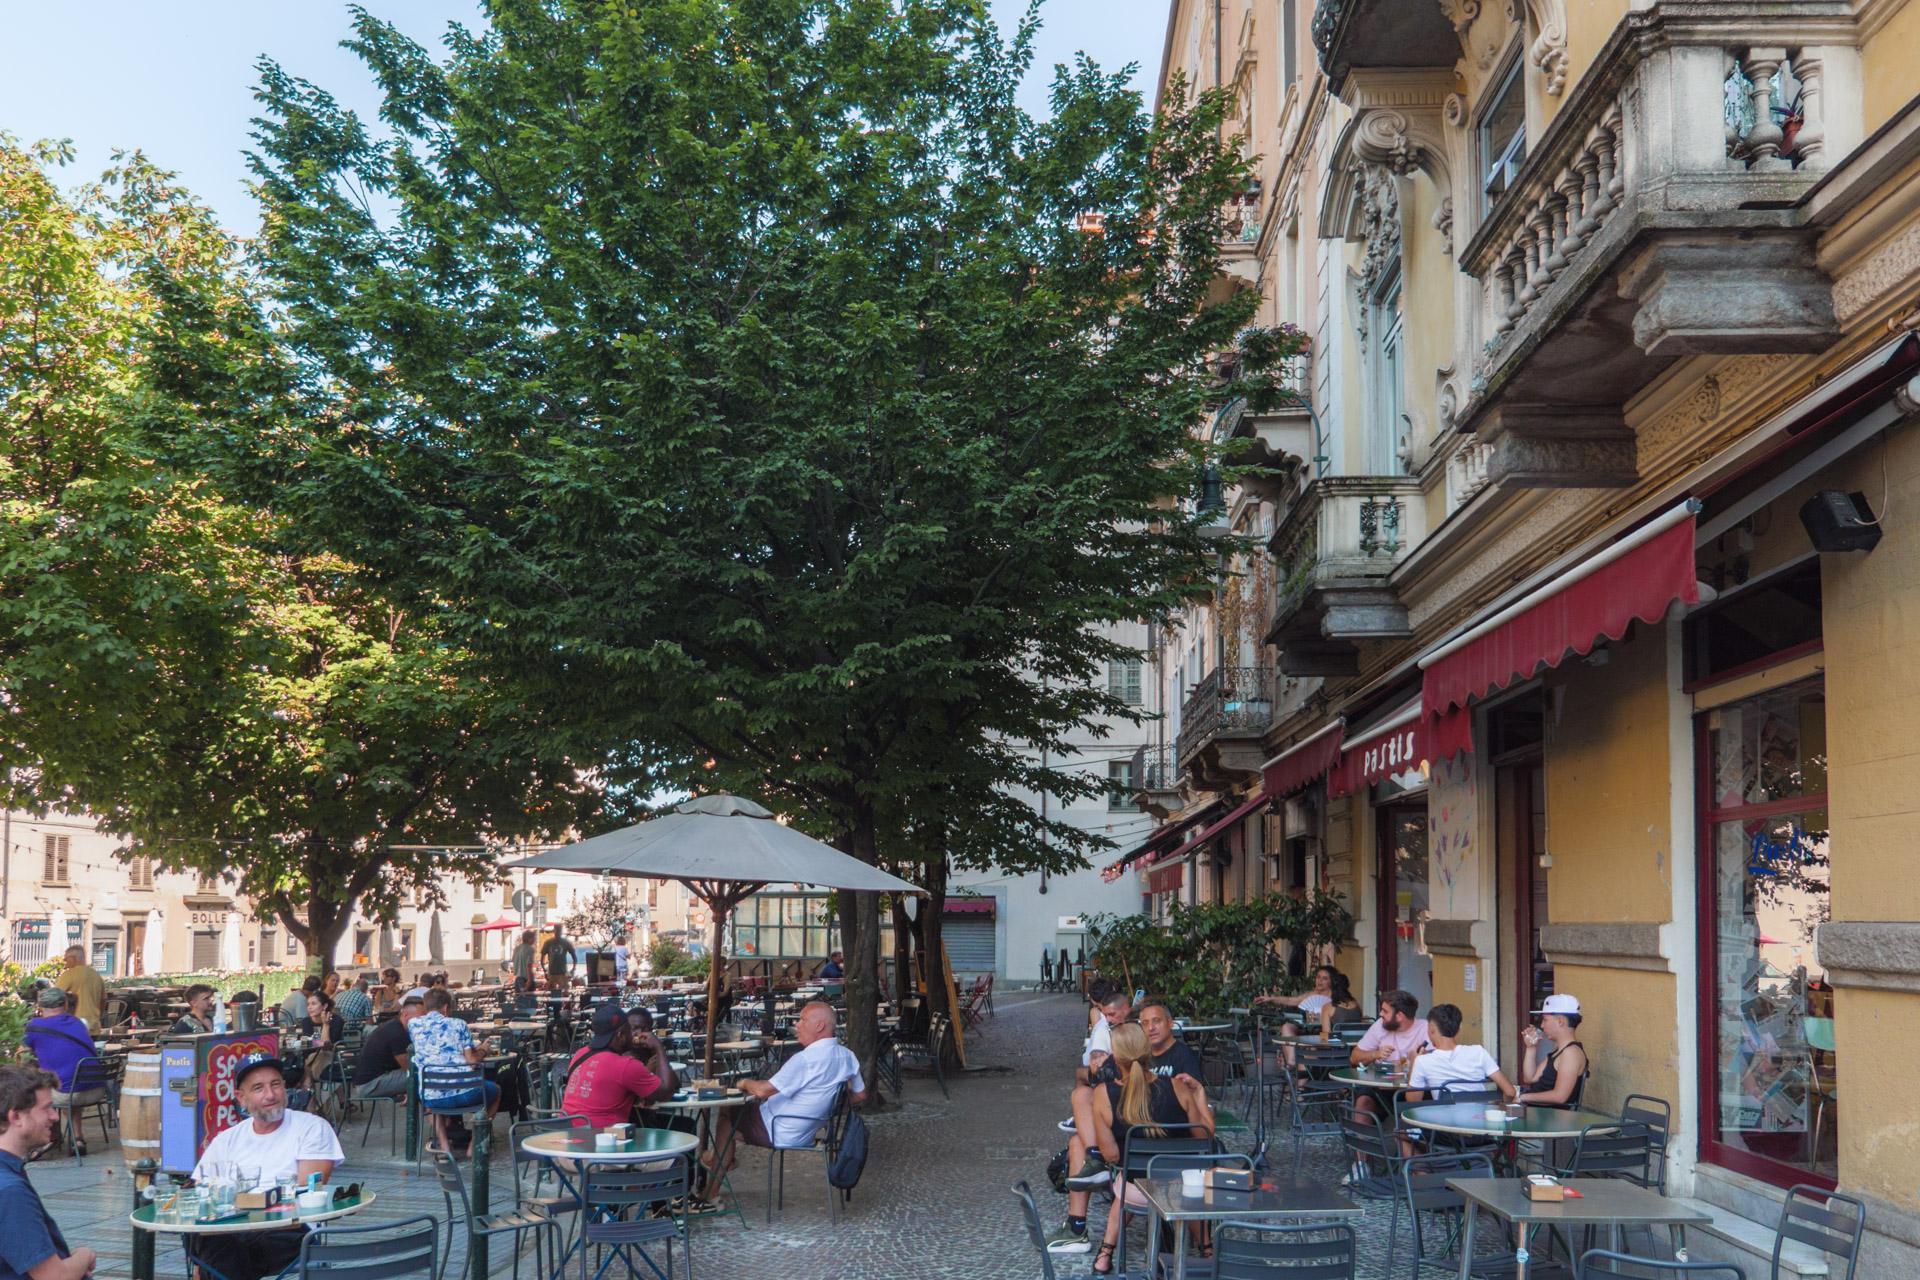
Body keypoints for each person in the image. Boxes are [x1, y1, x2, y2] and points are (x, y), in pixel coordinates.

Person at [1048, 1023, 1211, 1262]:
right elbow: (1202, 1139)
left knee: (1107, 1165)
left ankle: (1102, 1253)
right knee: (1176, 1180)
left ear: (1115, 1057)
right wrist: (1200, 1095)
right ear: (1147, 1051)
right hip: (1182, 1187)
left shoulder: (1105, 1093)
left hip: (1134, 1189)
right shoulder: (1176, 1086)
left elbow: (1113, 1156)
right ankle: (1208, 1250)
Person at [189, 1053, 344, 1280]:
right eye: (259, 1088)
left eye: (276, 1084)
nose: (270, 1095)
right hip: (231, 1228)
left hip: (288, 1229)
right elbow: (201, 1192)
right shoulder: (227, 1139)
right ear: (241, 1098)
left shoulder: (312, 1128)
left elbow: (306, 1191)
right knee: (207, 1240)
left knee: (222, 1255)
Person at [707, 1002, 863, 1188]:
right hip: (804, 1131)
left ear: (819, 1026)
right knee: (732, 1109)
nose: (797, 1024)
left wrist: (745, 1082)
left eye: (803, 1020)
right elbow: (860, 1095)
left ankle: (712, 1188)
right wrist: (827, 1106)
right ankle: (721, 1159)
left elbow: (763, 1090)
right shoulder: (848, 1056)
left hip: (779, 1129)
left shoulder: (805, 1060)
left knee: (727, 1117)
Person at [0, 1064, 96, 1280]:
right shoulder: (9, 1190)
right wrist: (84, 1255)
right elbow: (54, 1277)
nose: (54, 1116)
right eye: (47, 1108)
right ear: (16, 1117)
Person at [408, 988, 499, 1153]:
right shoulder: (459, 1024)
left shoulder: (413, 1024)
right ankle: (474, 1143)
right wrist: (484, 1049)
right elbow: (471, 1061)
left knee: (428, 1097)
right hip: (465, 1095)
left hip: (431, 1098)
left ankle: (444, 1146)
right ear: (445, 1008)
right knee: (496, 1091)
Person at [562, 1005, 674, 1129]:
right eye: (629, 1030)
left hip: (566, 1131)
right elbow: (665, 1093)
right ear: (620, 1035)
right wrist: (659, 1048)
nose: (633, 1035)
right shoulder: (625, 1065)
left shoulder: (580, 1054)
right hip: (600, 1139)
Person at [1350, 989, 1431, 1119]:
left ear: (1399, 1016)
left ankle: (1411, 1136)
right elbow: (1354, 1058)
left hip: (1413, 1090)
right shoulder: (1380, 1025)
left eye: (1385, 1011)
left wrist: (1406, 1062)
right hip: (1381, 1088)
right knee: (1363, 1102)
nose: (1380, 1014)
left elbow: (1433, 1063)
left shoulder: (1425, 1029)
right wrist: (1375, 1054)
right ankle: (1362, 1138)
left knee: (1416, 1108)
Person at [1517, 993, 1589, 1108]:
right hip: (1539, 1113)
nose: (1542, 1025)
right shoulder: (1558, 1051)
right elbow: (1530, 1078)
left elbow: (1560, 1096)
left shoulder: (1571, 1053)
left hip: (1552, 1119)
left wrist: (1522, 1097)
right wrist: (1531, 1047)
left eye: (1545, 1020)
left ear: (1560, 1021)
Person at [352, 992, 422, 1102]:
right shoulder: (397, 1032)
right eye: (419, 1018)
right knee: (423, 1076)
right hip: (370, 1085)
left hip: (371, 1081)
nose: (423, 1022)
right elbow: (409, 1068)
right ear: (405, 1014)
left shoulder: (395, 1025)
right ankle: (430, 1113)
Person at [52, 949, 104, 1034]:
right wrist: (97, 1017)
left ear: (73, 958)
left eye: (66, 959)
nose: (65, 962)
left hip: (75, 1026)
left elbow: (54, 997)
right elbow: (103, 1000)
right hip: (94, 1026)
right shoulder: (96, 975)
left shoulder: (69, 974)